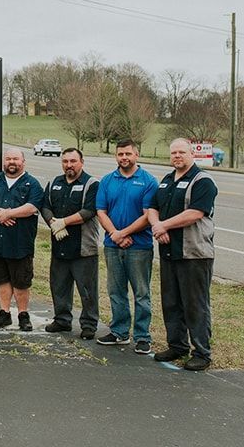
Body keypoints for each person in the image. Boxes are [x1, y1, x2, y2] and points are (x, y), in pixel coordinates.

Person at [148, 138, 218, 371]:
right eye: (174, 152)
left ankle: (202, 352)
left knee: (195, 304)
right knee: (171, 302)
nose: (177, 156)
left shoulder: (203, 181)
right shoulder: (167, 180)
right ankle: (177, 346)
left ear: (192, 154)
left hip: (194, 254)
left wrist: (164, 226)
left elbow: (196, 213)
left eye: (182, 152)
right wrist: (158, 227)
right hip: (169, 252)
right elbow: (152, 208)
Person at [95, 139, 159, 354]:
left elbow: (148, 214)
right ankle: (120, 332)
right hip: (112, 246)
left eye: (128, 154)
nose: (124, 158)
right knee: (115, 291)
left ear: (136, 155)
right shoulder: (107, 180)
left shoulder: (148, 181)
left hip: (139, 246)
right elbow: (101, 211)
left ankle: (142, 336)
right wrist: (115, 234)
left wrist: (124, 233)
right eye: (120, 154)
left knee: (141, 292)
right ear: (116, 156)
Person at [0, 148, 44, 331]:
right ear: (4, 162)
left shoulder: (32, 184)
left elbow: (31, 207)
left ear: (23, 161)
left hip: (19, 242)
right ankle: (4, 313)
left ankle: (23, 314)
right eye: (8, 159)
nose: (11, 162)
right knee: (2, 279)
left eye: (15, 159)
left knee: (21, 281)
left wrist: (9, 213)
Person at [40, 147, 101, 340]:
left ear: (81, 162)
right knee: (59, 286)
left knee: (87, 289)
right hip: (60, 246)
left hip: (83, 247)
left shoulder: (92, 184)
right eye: (65, 161)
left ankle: (89, 324)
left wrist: (64, 222)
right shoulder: (55, 183)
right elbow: (45, 206)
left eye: (73, 161)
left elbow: (89, 210)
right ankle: (62, 320)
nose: (69, 165)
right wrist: (52, 222)